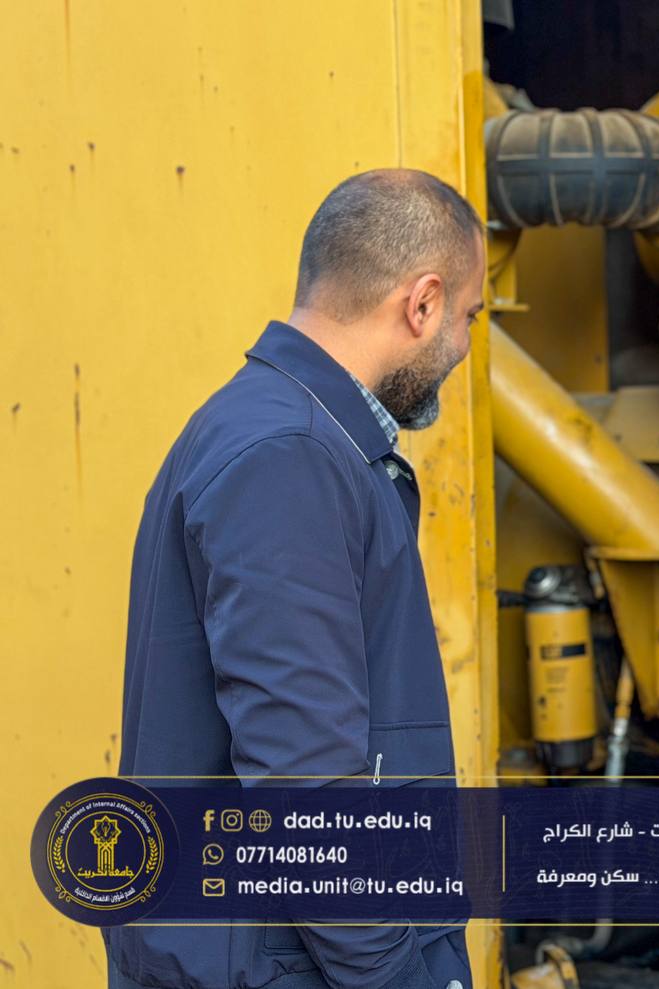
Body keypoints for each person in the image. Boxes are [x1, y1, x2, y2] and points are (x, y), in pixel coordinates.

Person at [105, 170, 486, 989]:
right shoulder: (291, 457)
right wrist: (395, 976)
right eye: (469, 316)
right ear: (422, 304)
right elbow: (306, 785)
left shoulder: (273, 432)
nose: (463, 344)